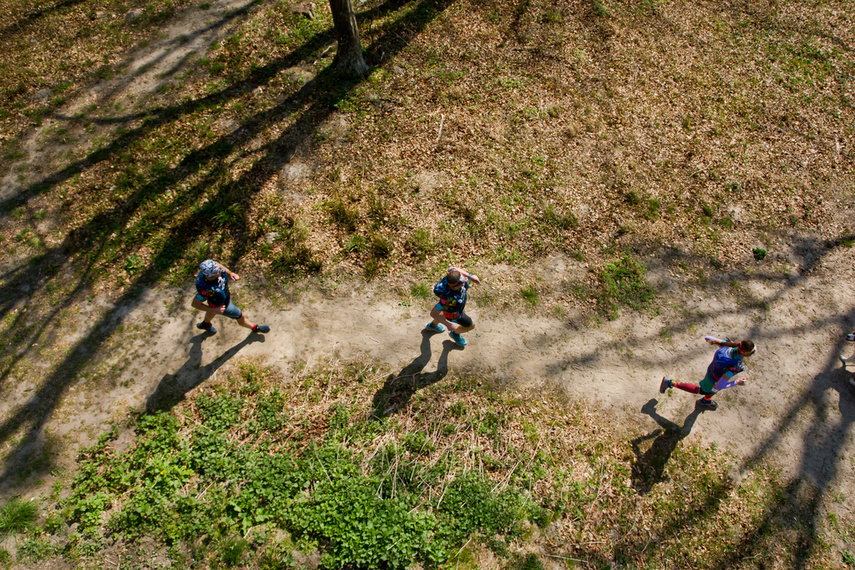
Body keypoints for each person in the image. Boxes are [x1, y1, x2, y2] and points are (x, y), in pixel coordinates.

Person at [659, 337, 755, 410]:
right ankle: (670, 383)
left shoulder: (729, 345)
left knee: (712, 391)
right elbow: (721, 385)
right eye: (751, 353)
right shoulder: (735, 366)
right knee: (702, 391)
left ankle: (706, 400)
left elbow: (710, 338)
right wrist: (737, 382)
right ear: (744, 354)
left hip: (711, 370)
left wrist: (712, 340)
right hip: (714, 381)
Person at [192, 259, 270, 335]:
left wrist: (230, 273)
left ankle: (205, 324)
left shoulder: (210, 269)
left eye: (218, 269)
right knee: (240, 316)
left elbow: (217, 264)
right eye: (218, 271)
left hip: (218, 299)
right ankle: (255, 328)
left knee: (212, 311)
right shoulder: (206, 290)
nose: (220, 270)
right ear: (211, 276)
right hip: (222, 305)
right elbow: (195, 304)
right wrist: (215, 309)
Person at [425, 267, 481, 347]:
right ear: (454, 287)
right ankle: (455, 334)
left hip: (450, 307)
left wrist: (470, 276)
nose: (465, 282)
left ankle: (432, 326)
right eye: (463, 283)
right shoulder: (448, 299)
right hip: (453, 313)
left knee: (443, 314)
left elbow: (454, 268)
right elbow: (433, 313)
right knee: (471, 325)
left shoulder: (451, 275)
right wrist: (448, 324)